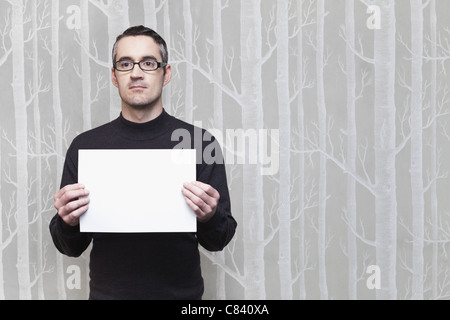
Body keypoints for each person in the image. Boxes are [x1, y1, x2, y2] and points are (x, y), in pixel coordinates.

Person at [49, 25, 237, 300]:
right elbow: (70, 247)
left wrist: (209, 215)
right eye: (125, 64)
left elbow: (219, 239)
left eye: (148, 63)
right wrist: (67, 220)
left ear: (166, 73)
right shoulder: (86, 146)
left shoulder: (200, 143)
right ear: (114, 76)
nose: (136, 72)